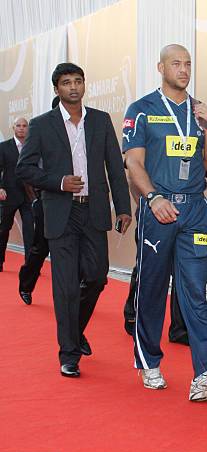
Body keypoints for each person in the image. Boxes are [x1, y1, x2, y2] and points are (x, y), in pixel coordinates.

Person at [123, 44, 207, 401]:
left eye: (188, 63)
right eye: (176, 63)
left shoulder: (200, 111)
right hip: (159, 210)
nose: (183, 69)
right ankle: (148, 361)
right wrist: (152, 198)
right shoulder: (142, 110)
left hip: (194, 211)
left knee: (195, 292)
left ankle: (205, 374)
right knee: (152, 288)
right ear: (160, 67)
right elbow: (133, 164)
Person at [16, 63, 132, 378]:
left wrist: (123, 207)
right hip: (61, 213)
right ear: (57, 89)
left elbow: (113, 167)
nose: (73, 87)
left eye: (78, 81)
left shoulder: (101, 120)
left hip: (93, 212)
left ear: (84, 85)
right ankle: (69, 354)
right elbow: (24, 169)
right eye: (67, 83)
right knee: (65, 286)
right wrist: (58, 181)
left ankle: (75, 329)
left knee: (96, 277)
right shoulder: (42, 125)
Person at [17, 97, 60, 306]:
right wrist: (35, 198)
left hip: (76, 201)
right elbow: (27, 169)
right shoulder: (42, 132)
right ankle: (26, 284)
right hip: (47, 199)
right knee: (41, 247)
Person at [0, 117, 35, 271]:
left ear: (28, 128)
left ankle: (29, 265)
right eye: (18, 125)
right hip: (8, 195)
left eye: (24, 126)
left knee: (30, 231)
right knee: (3, 229)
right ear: (13, 127)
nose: (21, 128)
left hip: (28, 195)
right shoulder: (3, 147)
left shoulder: (32, 147)